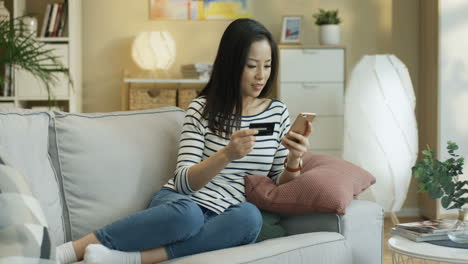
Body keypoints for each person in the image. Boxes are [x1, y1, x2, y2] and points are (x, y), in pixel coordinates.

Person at [55, 18, 313, 264]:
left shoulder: (277, 112)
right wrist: (226, 155)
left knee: (250, 218)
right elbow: (183, 182)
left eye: (267, 65)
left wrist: (294, 159)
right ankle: (73, 249)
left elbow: (279, 181)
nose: (261, 75)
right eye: (251, 65)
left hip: (228, 215)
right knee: (189, 216)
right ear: (232, 63)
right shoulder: (202, 108)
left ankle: (130, 260)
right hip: (181, 204)